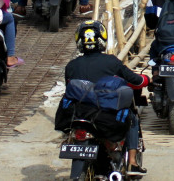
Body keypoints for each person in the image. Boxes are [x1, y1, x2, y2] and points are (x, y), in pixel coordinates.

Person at [63, 20, 148, 176]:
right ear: (102, 39)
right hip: (106, 115)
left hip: (80, 115)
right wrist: (146, 80)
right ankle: (132, 163)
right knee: (132, 119)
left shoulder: (71, 66)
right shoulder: (111, 62)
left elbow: (68, 89)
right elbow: (136, 80)